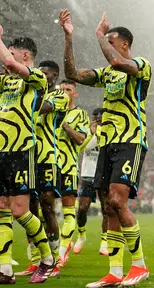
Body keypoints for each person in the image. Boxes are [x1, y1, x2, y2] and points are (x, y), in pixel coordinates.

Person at [60, 8, 152, 287]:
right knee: (108, 208)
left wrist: (99, 33)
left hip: (130, 141)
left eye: (111, 43)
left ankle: (139, 266)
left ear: (124, 44)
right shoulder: (108, 74)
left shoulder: (140, 65)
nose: (106, 49)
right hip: (107, 145)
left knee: (117, 201)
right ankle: (114, 271)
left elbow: (115, 60)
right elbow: (73, 73)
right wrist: (68, 39)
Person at [0, 30, 55, 283]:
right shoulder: (6, 81)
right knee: (1, 210)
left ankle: (46, 259)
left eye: (11, 53)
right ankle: (5, 269)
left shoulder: (36, 79)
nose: (6, 60)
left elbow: (9, 63)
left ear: (25, 55)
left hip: (21, 151)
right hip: (1, 152)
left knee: (20, 211)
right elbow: (7, 66)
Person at [15, 60, 70, 276]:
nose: (41, 76)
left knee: (47, 208)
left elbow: (42, 107)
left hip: (47, 157)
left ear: (54, 77)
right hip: (28, 156)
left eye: (44, 73)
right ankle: (36, 260)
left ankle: (54, 260)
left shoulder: (59, 97)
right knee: (30, 209)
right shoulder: (31, 92)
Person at [49, 79, 90, 277]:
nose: (64, 92)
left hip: (68, 167)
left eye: (68, 90)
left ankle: (61, 253)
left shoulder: (80, 114)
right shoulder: (51, 110)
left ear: (75, 93)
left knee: (68, 213)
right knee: (45, 210)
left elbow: (81, 139)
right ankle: (48, 252)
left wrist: (66, 126)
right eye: (62, 89)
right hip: (48, 165)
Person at [73, 108, 108, 256]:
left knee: (106, 209)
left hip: (103, 173)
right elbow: (81, 148)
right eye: (96, 117)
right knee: (82, 209)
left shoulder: (108, 131)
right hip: (88, 174)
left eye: (100, 117)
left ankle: (105, 242)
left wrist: (99, 132)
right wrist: (92, 133)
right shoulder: (86, 131)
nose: (98, 119)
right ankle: (82, 235)